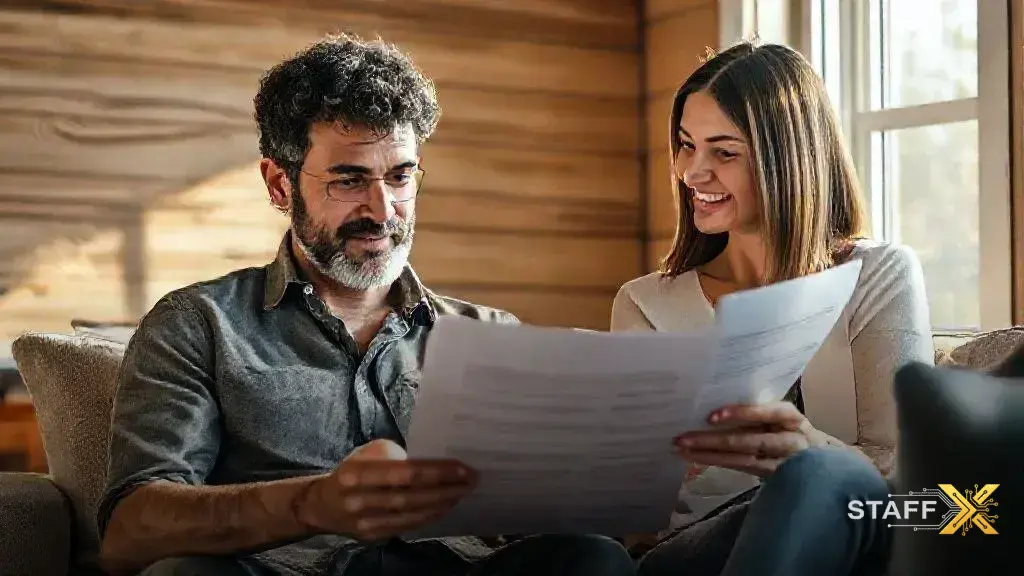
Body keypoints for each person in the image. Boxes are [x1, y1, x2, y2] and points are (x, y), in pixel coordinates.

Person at [96, 34, 636, 576]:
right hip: (283, 572)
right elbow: (130, 532)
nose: (382, 210)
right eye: (349, 180)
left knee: (595, 556)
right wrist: (314, 503)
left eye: (400, 176)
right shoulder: (199, 325)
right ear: (279, 184)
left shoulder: (491, 334)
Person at [611, 41, 934, 575]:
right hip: (695, 549)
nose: (692, 172)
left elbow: (918, 490)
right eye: (686, 145)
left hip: (852, 526)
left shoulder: (878, 275)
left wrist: (805, 447)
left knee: (813, 477)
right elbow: (637, 524)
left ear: (789, 160)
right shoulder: (645, 304)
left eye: (724, 151)